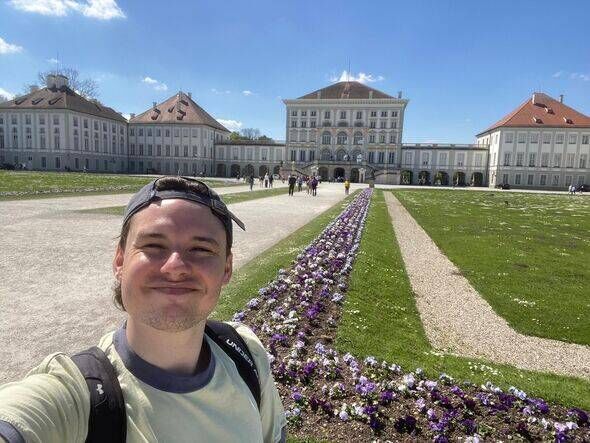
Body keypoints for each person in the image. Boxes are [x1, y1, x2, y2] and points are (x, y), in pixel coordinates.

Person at [0, 176, 286, 442]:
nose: (175, 266)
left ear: (227, 269)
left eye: (200, 249)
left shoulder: (247, 353)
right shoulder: (76, 397)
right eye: (153, 245)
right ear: (120, 262)